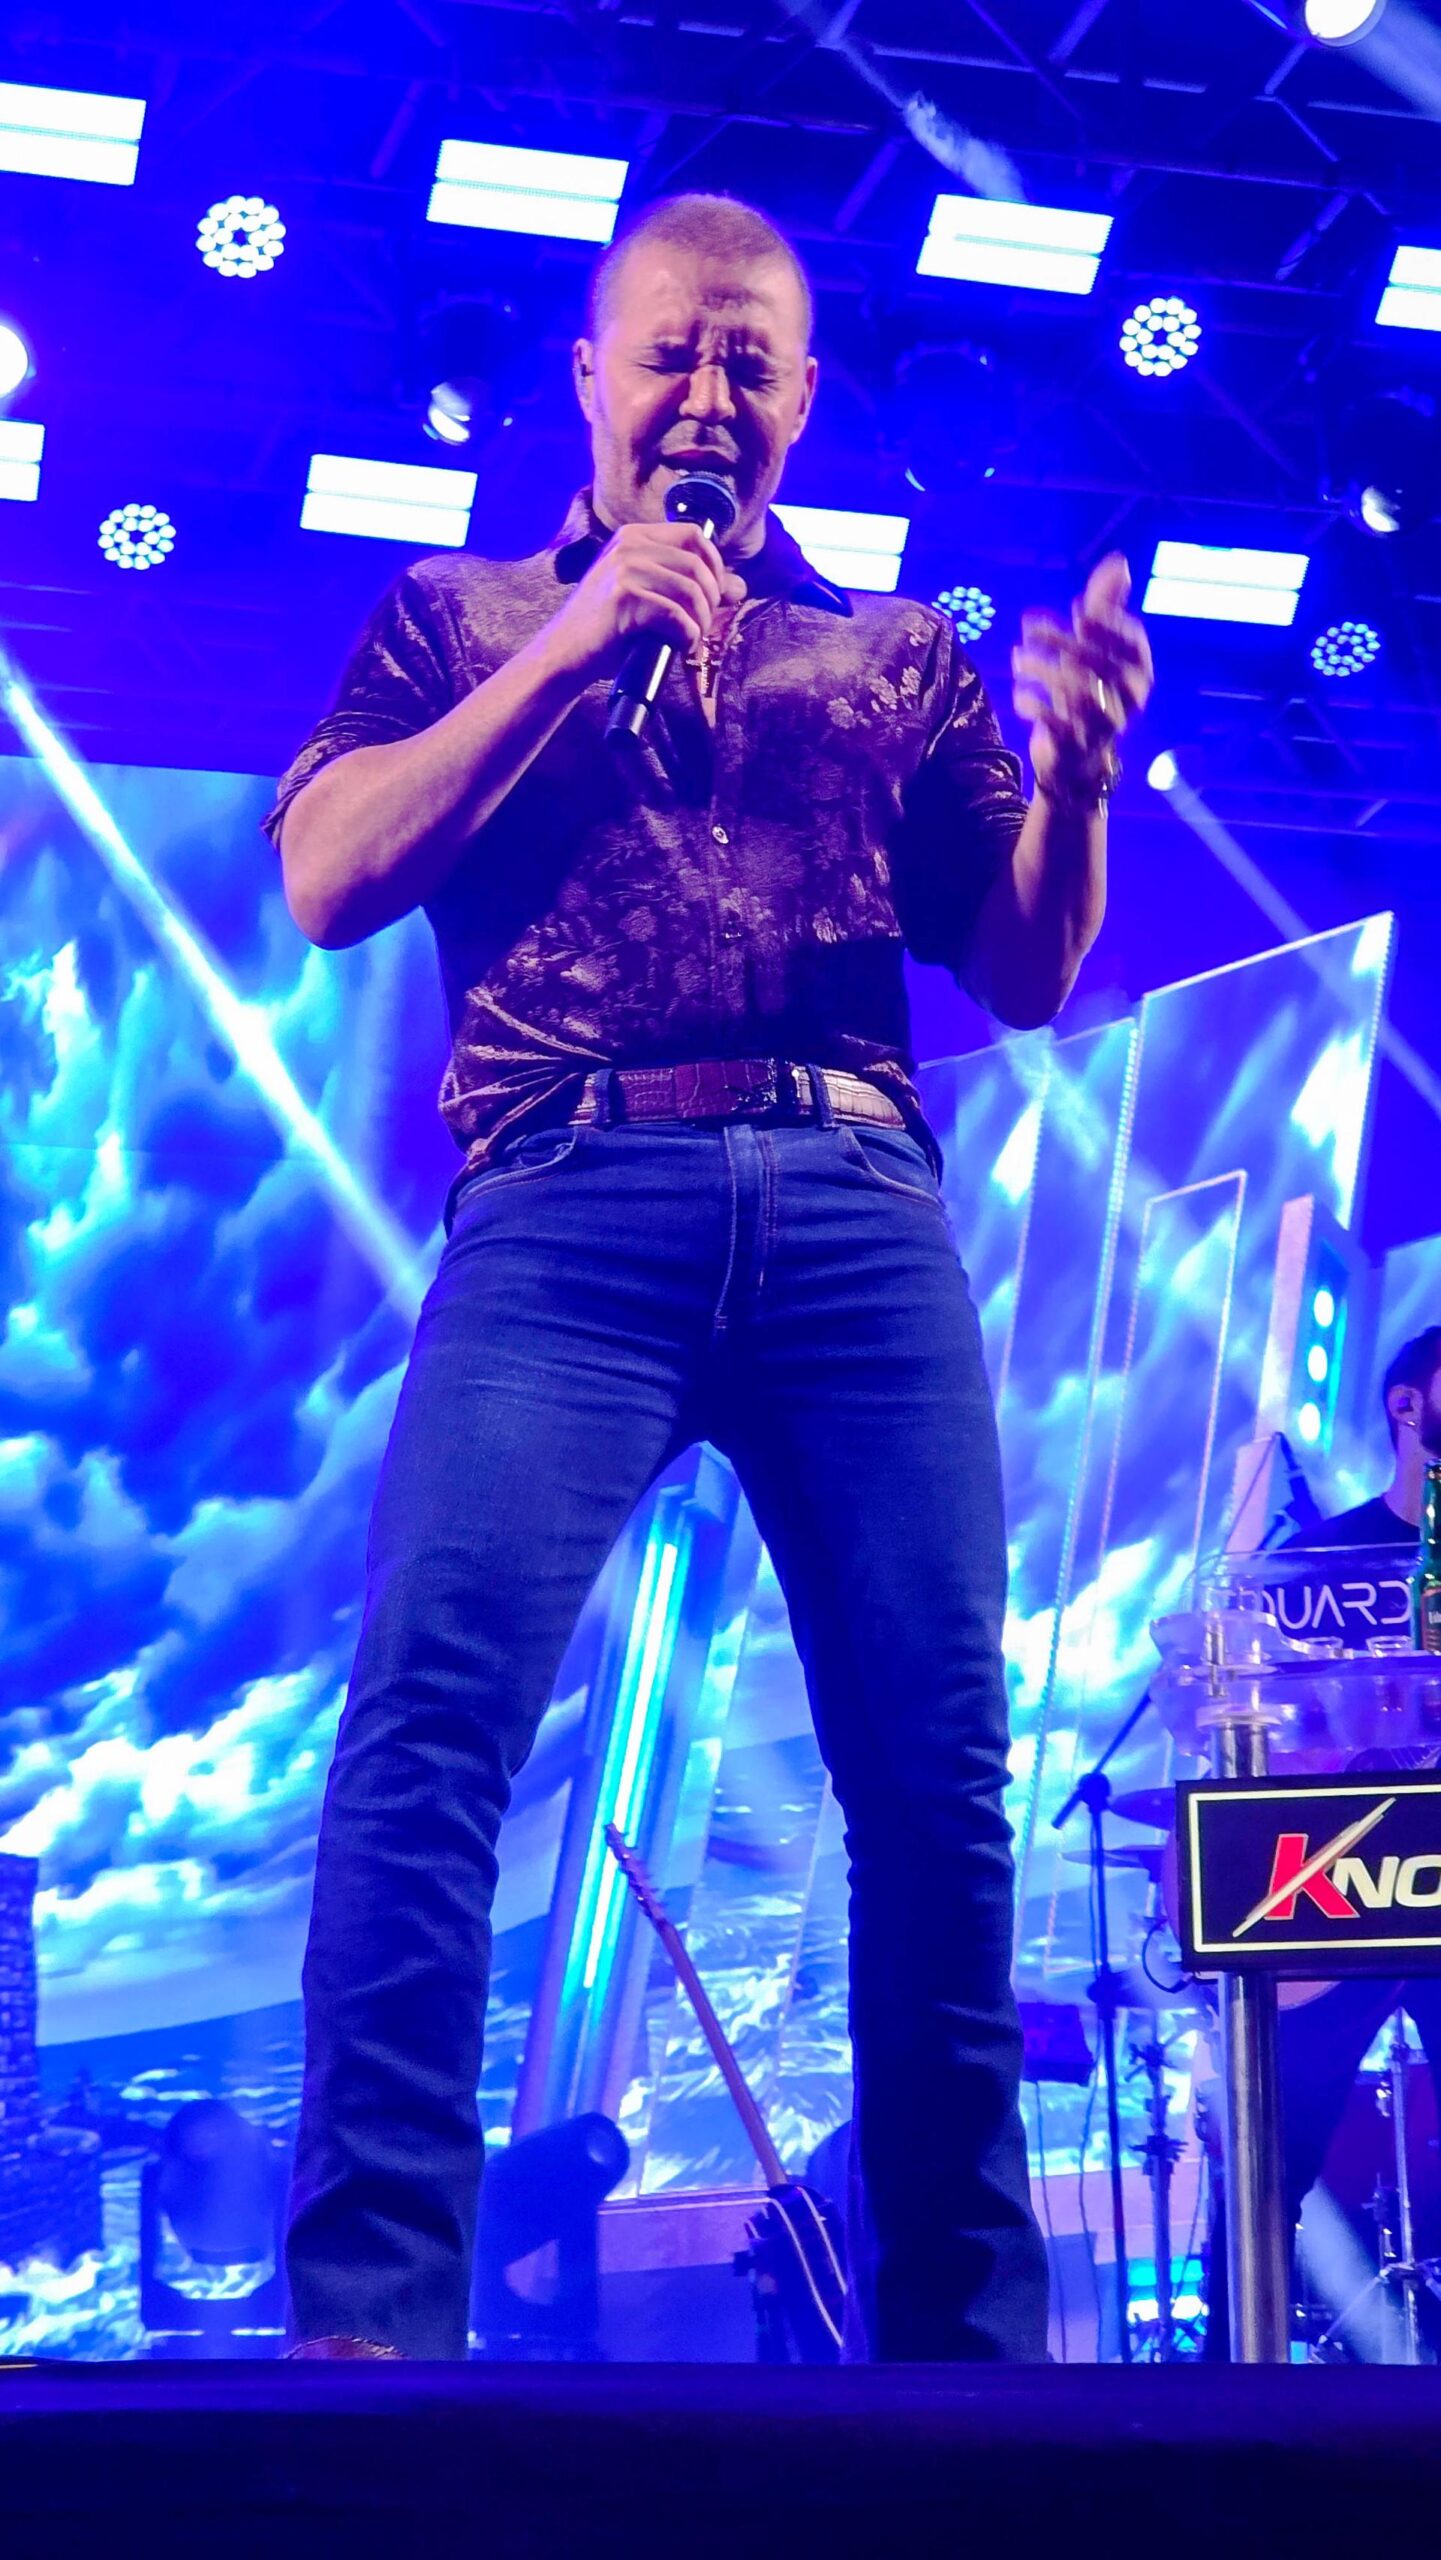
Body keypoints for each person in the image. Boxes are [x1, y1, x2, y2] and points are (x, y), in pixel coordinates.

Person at [270, 191, 1153, 2361]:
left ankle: (966, 2353)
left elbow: (1024, 968)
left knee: (934, 1773)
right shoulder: (458, 613)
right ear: (589, 374)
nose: (706, 394)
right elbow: (325, 876)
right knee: (428, 1734)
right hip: (565, 1199)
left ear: (803, 396)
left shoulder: (895, 653)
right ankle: (372, 2326)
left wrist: (1076, 794)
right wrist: (575, 646)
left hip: (853, 1200)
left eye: (748, 360)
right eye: (670, 351)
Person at [1205, 1323, 1441, 2358]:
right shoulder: (1312, 1567)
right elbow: (1252, 1729)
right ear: (1405, 1404)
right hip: (1338, 1887)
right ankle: (1225, 2388)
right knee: (1269, 2152)